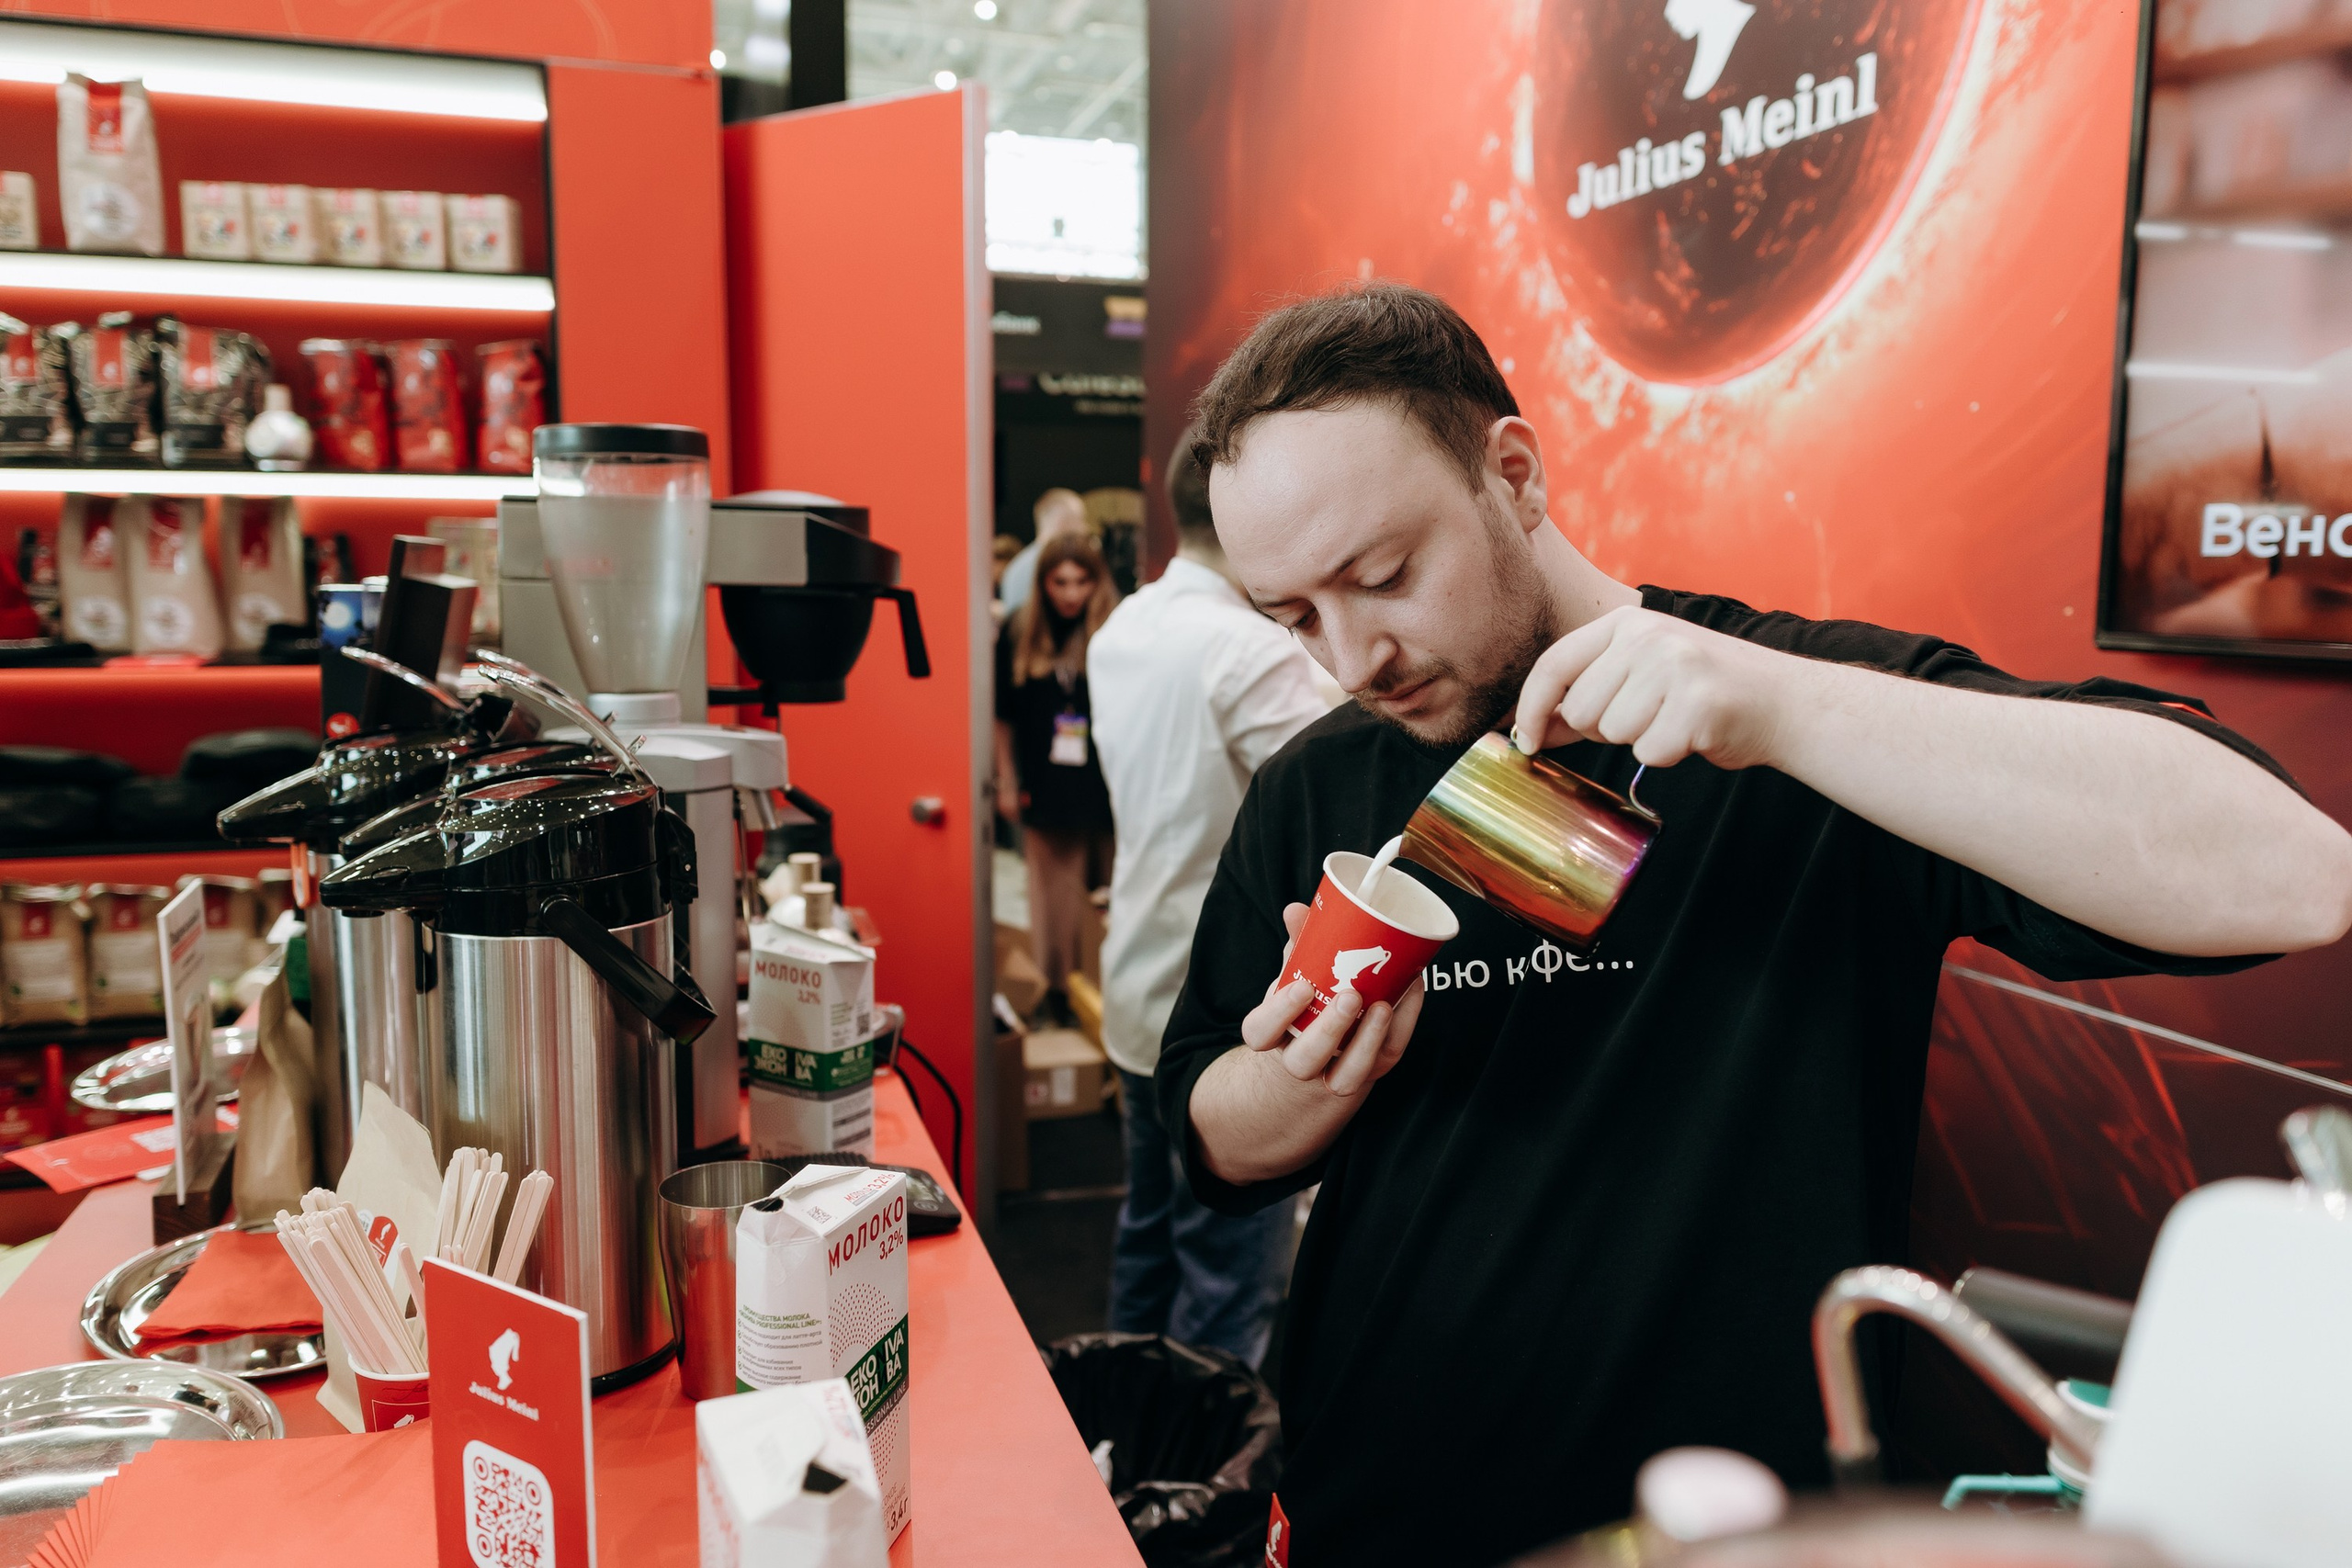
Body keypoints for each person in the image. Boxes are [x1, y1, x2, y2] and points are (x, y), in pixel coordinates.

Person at [1157, 284, 2352, 1567]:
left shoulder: (1800, 718)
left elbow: (2297, 878)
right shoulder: (1318, 784)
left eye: (1383, 577)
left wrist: (1783, 711)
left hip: (1725, 1526)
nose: (1353, 659)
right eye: (1295, 617)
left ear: (1513, 474)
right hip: (1370, 1497)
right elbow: (1211, 1135)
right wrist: (1304, 1080)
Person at [1088, 428, 1331, 1367]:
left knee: (1147, 1234)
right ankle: (1201, 1453)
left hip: (1137, 975)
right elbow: (1340, 802)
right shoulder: (1248, 650)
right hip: (1221, 1008)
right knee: (1228, 1276)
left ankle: (1120, 1431)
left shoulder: (1123, 627)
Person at [996, 530, 1118, 1016]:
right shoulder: (1019, 630)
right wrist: (1006, 780)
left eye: (1081, 582)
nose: (1071, 594)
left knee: (1109, 890)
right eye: (1060, 582)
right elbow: (1002, 715)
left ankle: (1102, 989)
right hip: (1044, 779)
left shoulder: (1114, 629)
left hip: (1107, 780)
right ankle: (1056, 992)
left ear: (1097, 581)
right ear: (1043, 582)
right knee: (1052, 893)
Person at [998, 487, 1090, 616]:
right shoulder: (1048, 564)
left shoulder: (1017, 565)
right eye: (1081, 520)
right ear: (1062, 522)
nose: (1085, 528)